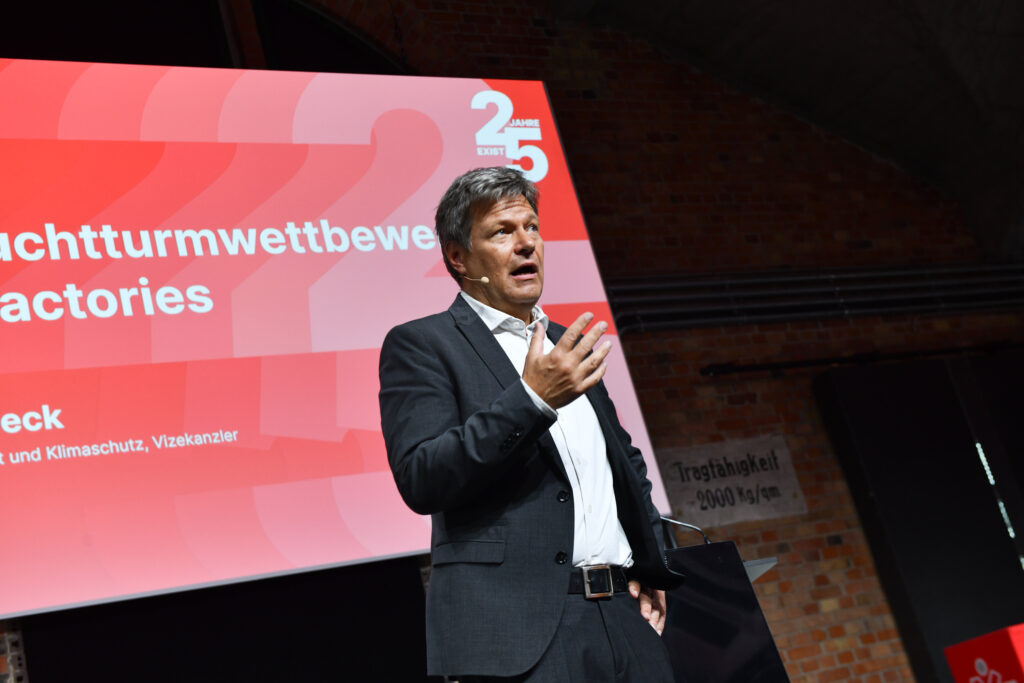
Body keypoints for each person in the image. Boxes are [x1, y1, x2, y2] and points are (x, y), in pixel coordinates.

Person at [378, 167, 681, 682]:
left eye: (532, 227)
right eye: (502, 231)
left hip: (624, 615)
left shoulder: (565, 343)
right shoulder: (424, 345)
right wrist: (532, 399)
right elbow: (423, 476)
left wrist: (652, 560)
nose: (526, 244)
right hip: (518, 634)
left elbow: (623, 462)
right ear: (458, 257)